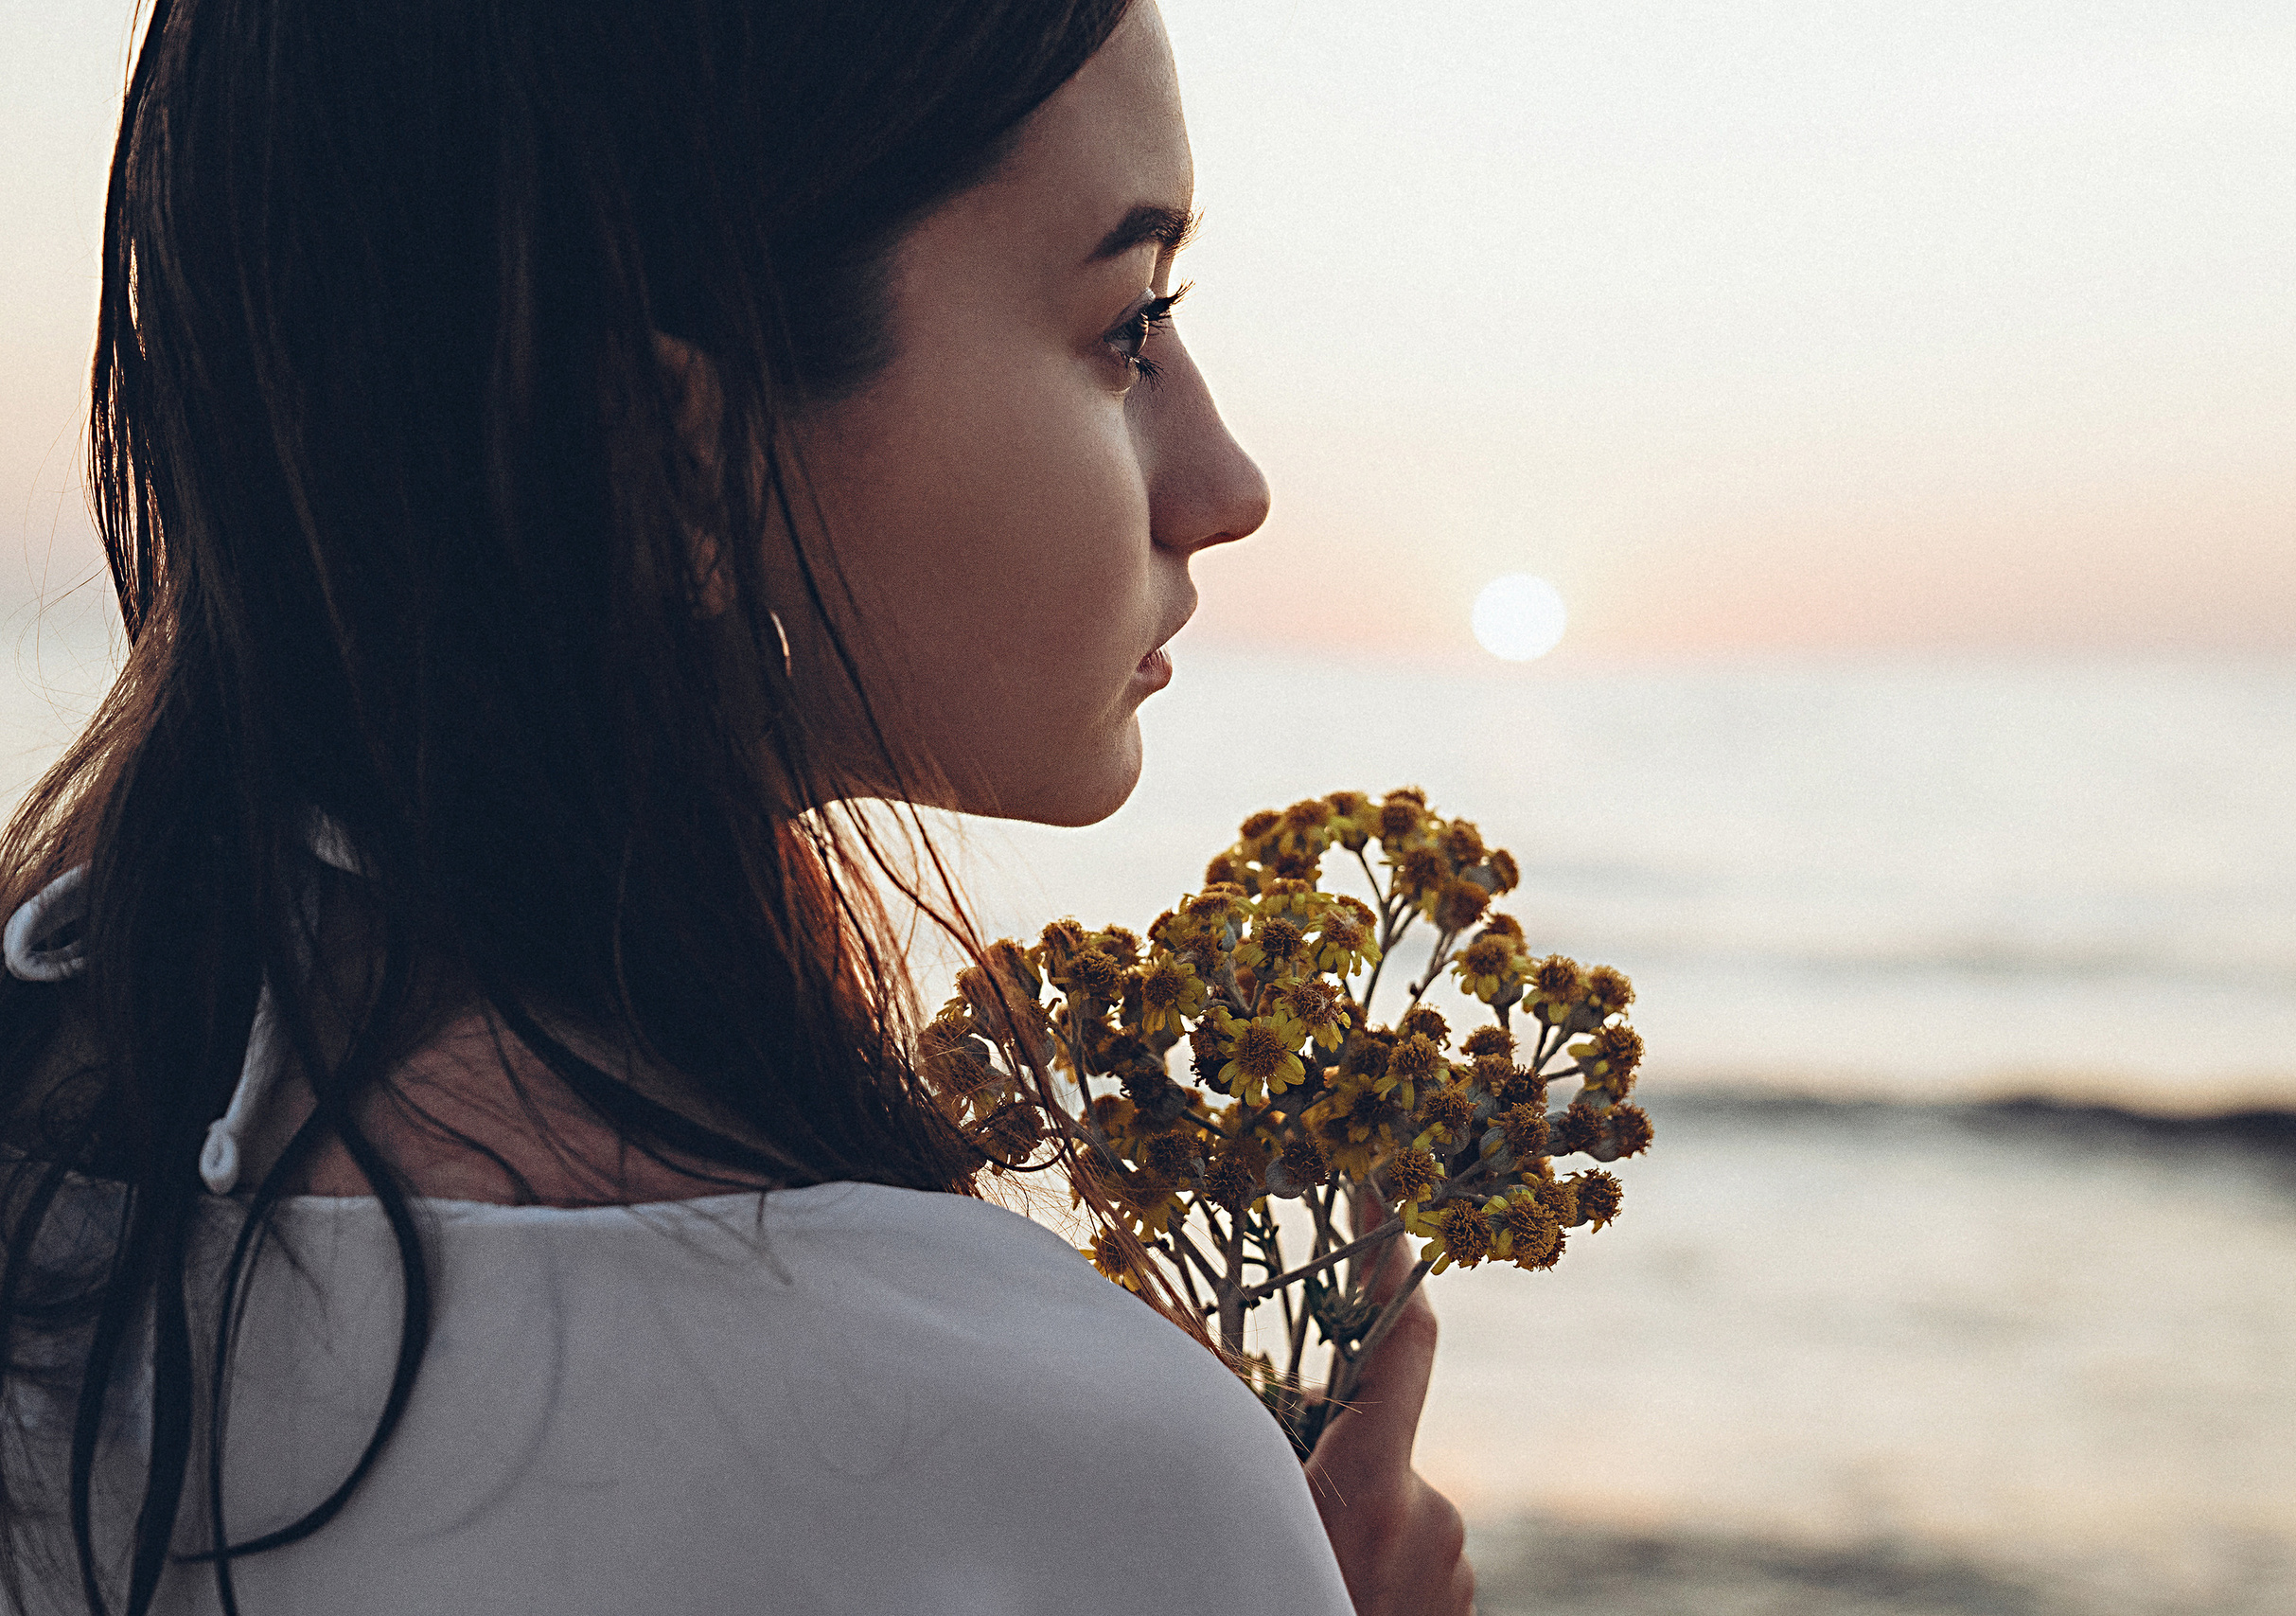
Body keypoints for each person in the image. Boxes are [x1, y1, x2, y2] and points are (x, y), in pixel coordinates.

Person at [0, 1, 1475, 1612]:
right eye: (1129, 322)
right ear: (671, 458)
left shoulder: (56, 1161)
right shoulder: (1046, 1447)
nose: (1226, 483)